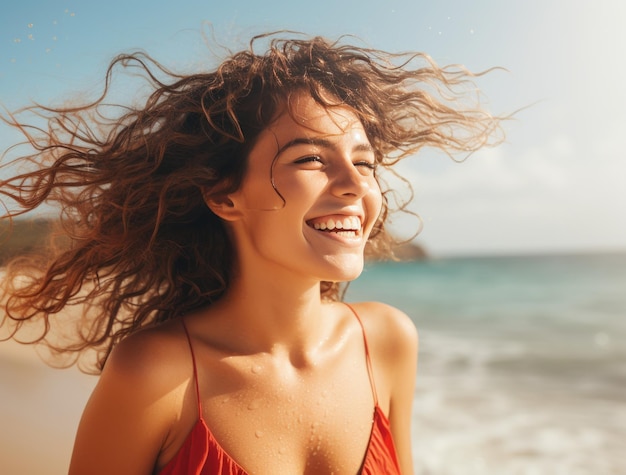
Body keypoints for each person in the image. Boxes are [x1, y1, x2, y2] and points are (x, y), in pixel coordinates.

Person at [0, 33, 501, 474]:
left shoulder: (388, 341)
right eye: (310, 159)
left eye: (365, 162)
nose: (354, 185)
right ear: (224, 196)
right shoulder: (157, 374)